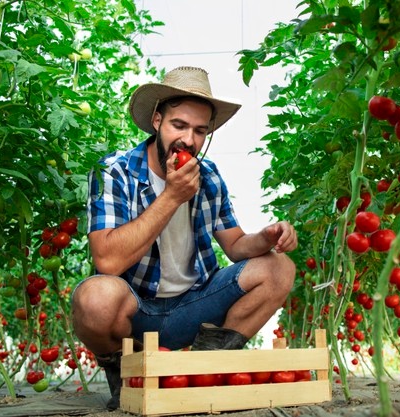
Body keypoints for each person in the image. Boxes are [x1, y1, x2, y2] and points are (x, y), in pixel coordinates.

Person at [71, 66, 297, 410]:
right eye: (179, 126)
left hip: (195, 306)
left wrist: (266, 237)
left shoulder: (208, 178)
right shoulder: (114, 171)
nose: (188, 140)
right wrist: (171, 197)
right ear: (157, 121)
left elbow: (236, 247)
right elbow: (107, 260)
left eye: (199, 131)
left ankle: (206, 367)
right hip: (137, 312)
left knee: (279, 268)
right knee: (94, 298)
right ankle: (126, 376)